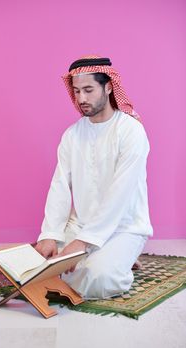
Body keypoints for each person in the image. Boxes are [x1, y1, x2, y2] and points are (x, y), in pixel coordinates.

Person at [35, 55, 153, 299]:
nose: (81, 99)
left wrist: (83, 242)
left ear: (108, 87)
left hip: (124, 226)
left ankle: (117, 258)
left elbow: (121, 194)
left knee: (99, 279)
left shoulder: (131, 132)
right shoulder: (72, 135)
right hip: (80, 224)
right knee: (39, 267)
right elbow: (60, 186)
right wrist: (50, 235)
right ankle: (113, 259)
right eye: (77, 91)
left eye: (88, 90)